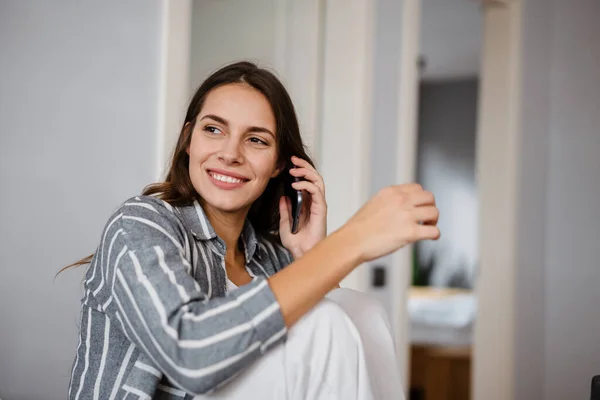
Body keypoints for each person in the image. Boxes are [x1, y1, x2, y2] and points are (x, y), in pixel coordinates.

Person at [65, 61, 440, 400]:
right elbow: (189, 355)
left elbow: (333, 364)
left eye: (256, 139)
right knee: (324, 321)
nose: (230, 153)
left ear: (279, 164)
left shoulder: (270, 258)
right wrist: (349, 244)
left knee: (360, 308)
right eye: (214, 130)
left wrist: (310, 257)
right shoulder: (139, 225)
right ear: (188, 140)